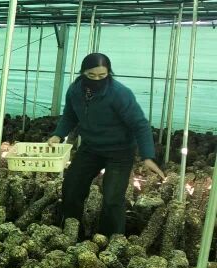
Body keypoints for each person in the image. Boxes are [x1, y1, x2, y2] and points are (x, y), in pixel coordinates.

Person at [48, 52, 164, 236]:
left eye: (102, 75)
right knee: (71, 187)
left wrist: (147, 156)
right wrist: (58, 135)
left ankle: (111, 240)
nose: (97, 79)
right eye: (91, 75)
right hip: (91, 148)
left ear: (109, 73)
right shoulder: (75, 90)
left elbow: (140, 124)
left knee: (112, 198)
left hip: (119, 151)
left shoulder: (119, 93)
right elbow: (70, 114)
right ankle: (71, 231)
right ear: (83, 73)